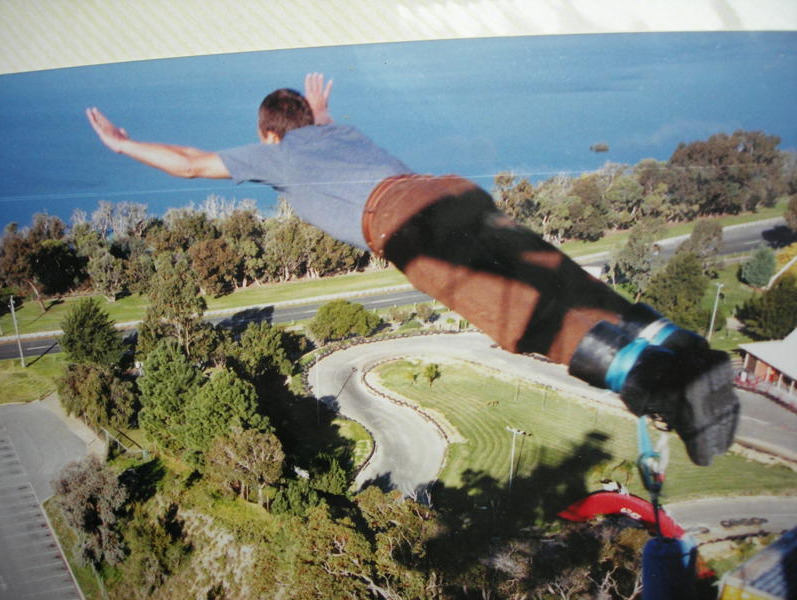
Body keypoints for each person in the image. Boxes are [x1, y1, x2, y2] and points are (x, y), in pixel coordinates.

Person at [87, 72, 739, 467]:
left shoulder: (279, 153)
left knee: (521, 319)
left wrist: (122, 144)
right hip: (449, 191)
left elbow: (192, 161)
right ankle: (681, 349)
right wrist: (320, 110)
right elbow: (326, 125)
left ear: (268, 137)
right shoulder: (342, 133)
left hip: (400, 221)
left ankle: (661, 386)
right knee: (566, 283)